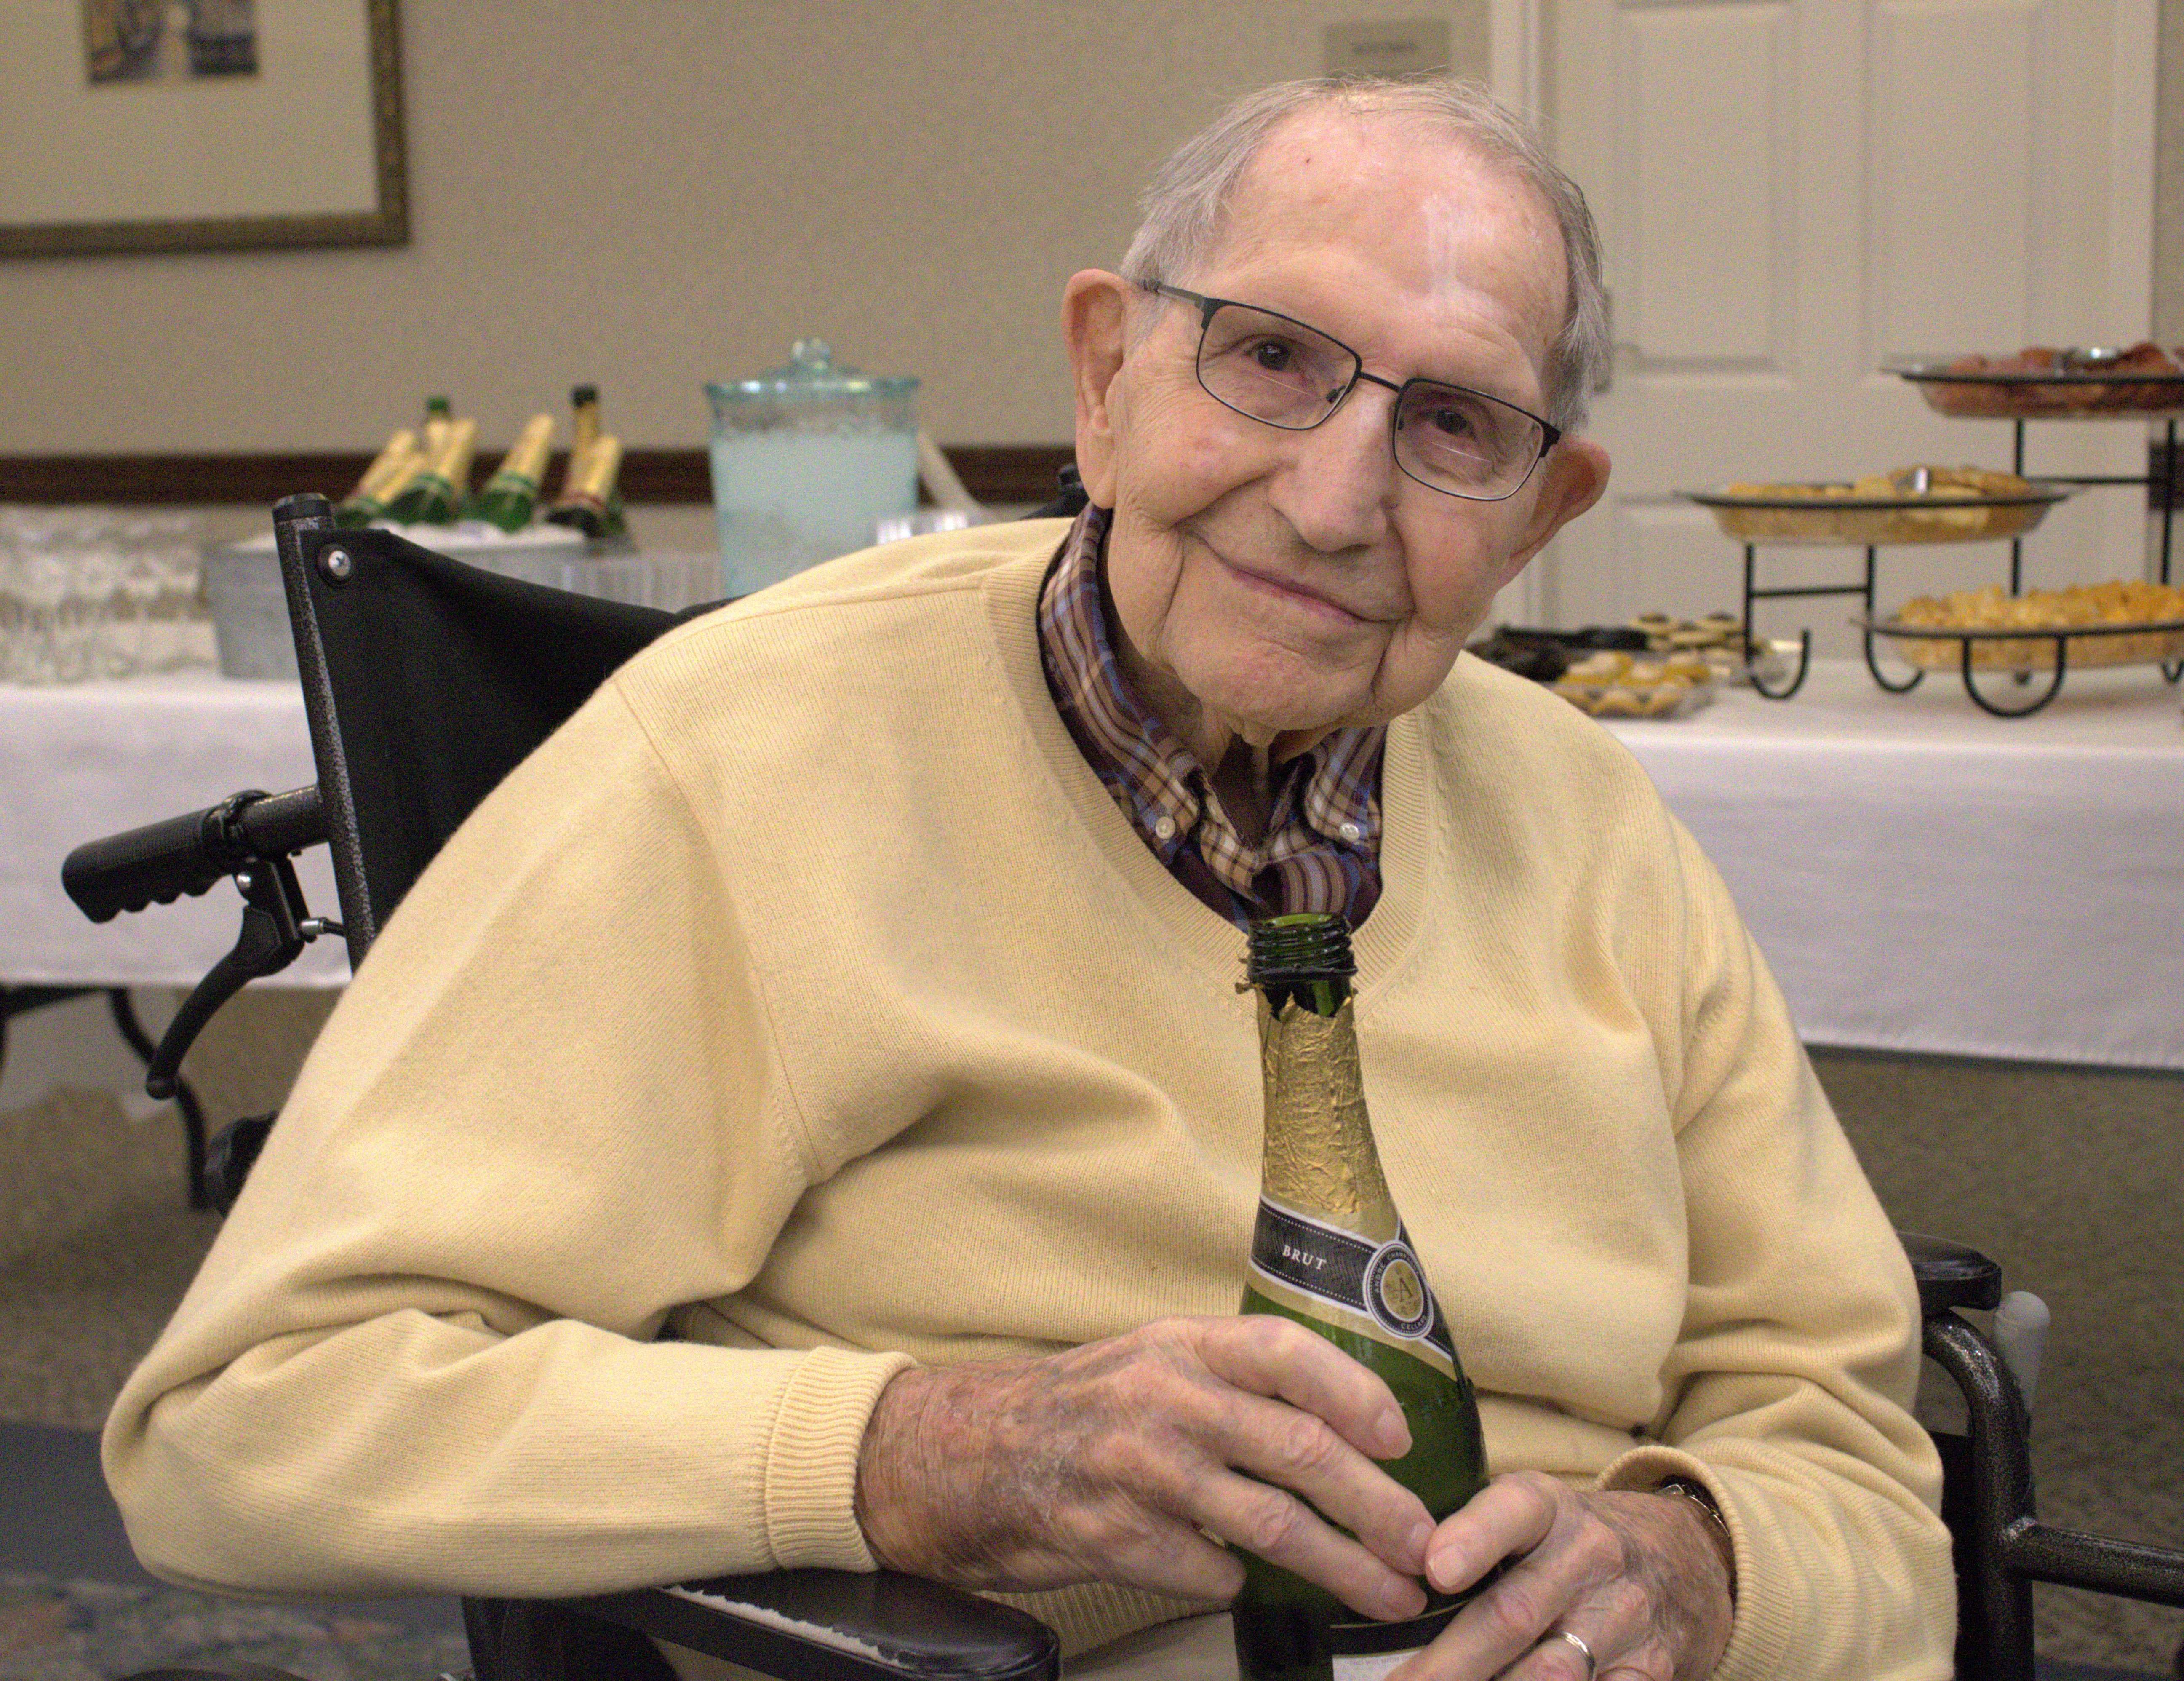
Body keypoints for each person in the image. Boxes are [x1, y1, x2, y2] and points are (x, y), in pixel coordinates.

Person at [104, 75, 1954, 1681]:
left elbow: (1848, 1432)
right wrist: (908, 1447)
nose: (1332, 499)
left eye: (1453, 425)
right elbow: (247, 1419)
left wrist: (1700, 1560)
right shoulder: (735, 762)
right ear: (1103, 374)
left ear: (1540, 519)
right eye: (1271, 361)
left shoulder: (1593, 823)